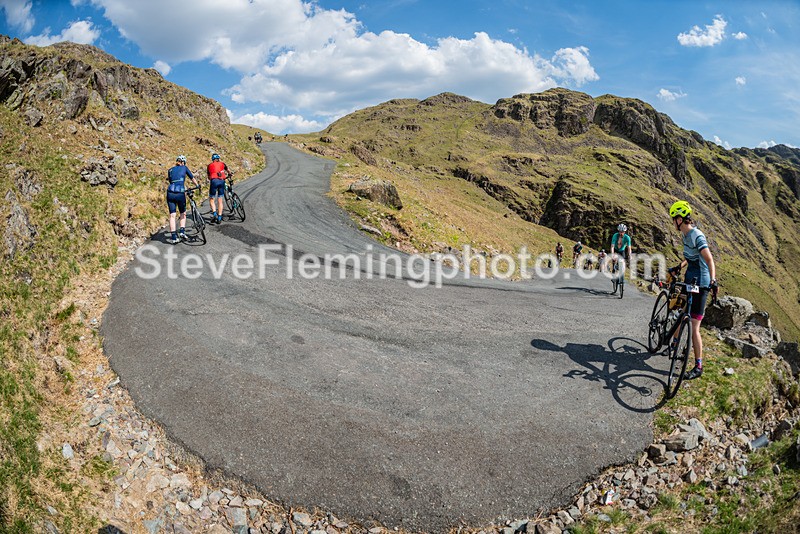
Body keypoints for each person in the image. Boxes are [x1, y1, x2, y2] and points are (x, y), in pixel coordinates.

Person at [667, 200, 717, 380]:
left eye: (674, 218)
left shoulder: (697, 235)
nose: (673, 222)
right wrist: (678, 267)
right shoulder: (685, 235)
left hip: (702, 283)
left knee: (694, 327)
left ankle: (698, 366)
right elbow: (691, 257)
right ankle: (673, 343)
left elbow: (709, 259)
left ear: (680, 219)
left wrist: (713, 281)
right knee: (682, 313)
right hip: (689, 279)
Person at [166, 155, 200, 244]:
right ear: (183, 162)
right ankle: (182, 232)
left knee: (172, 215)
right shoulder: (184, 167)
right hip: (180, 193)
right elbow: (192, 178)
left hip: (170, 192)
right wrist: (197, 185)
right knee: (183, 213)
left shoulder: (170, 170)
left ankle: (173, 237)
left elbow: (171, 181)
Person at [207, 153, 229, 224]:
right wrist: (230, 173)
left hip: (214, 181)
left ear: (213, 159)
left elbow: (209, 177)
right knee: (220, 200)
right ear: (218, 159)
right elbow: (228, 170)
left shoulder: (209, 165)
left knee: (211, 199)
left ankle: (214, 214)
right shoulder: (222, 164)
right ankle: (219, 217)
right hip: (222, 181)